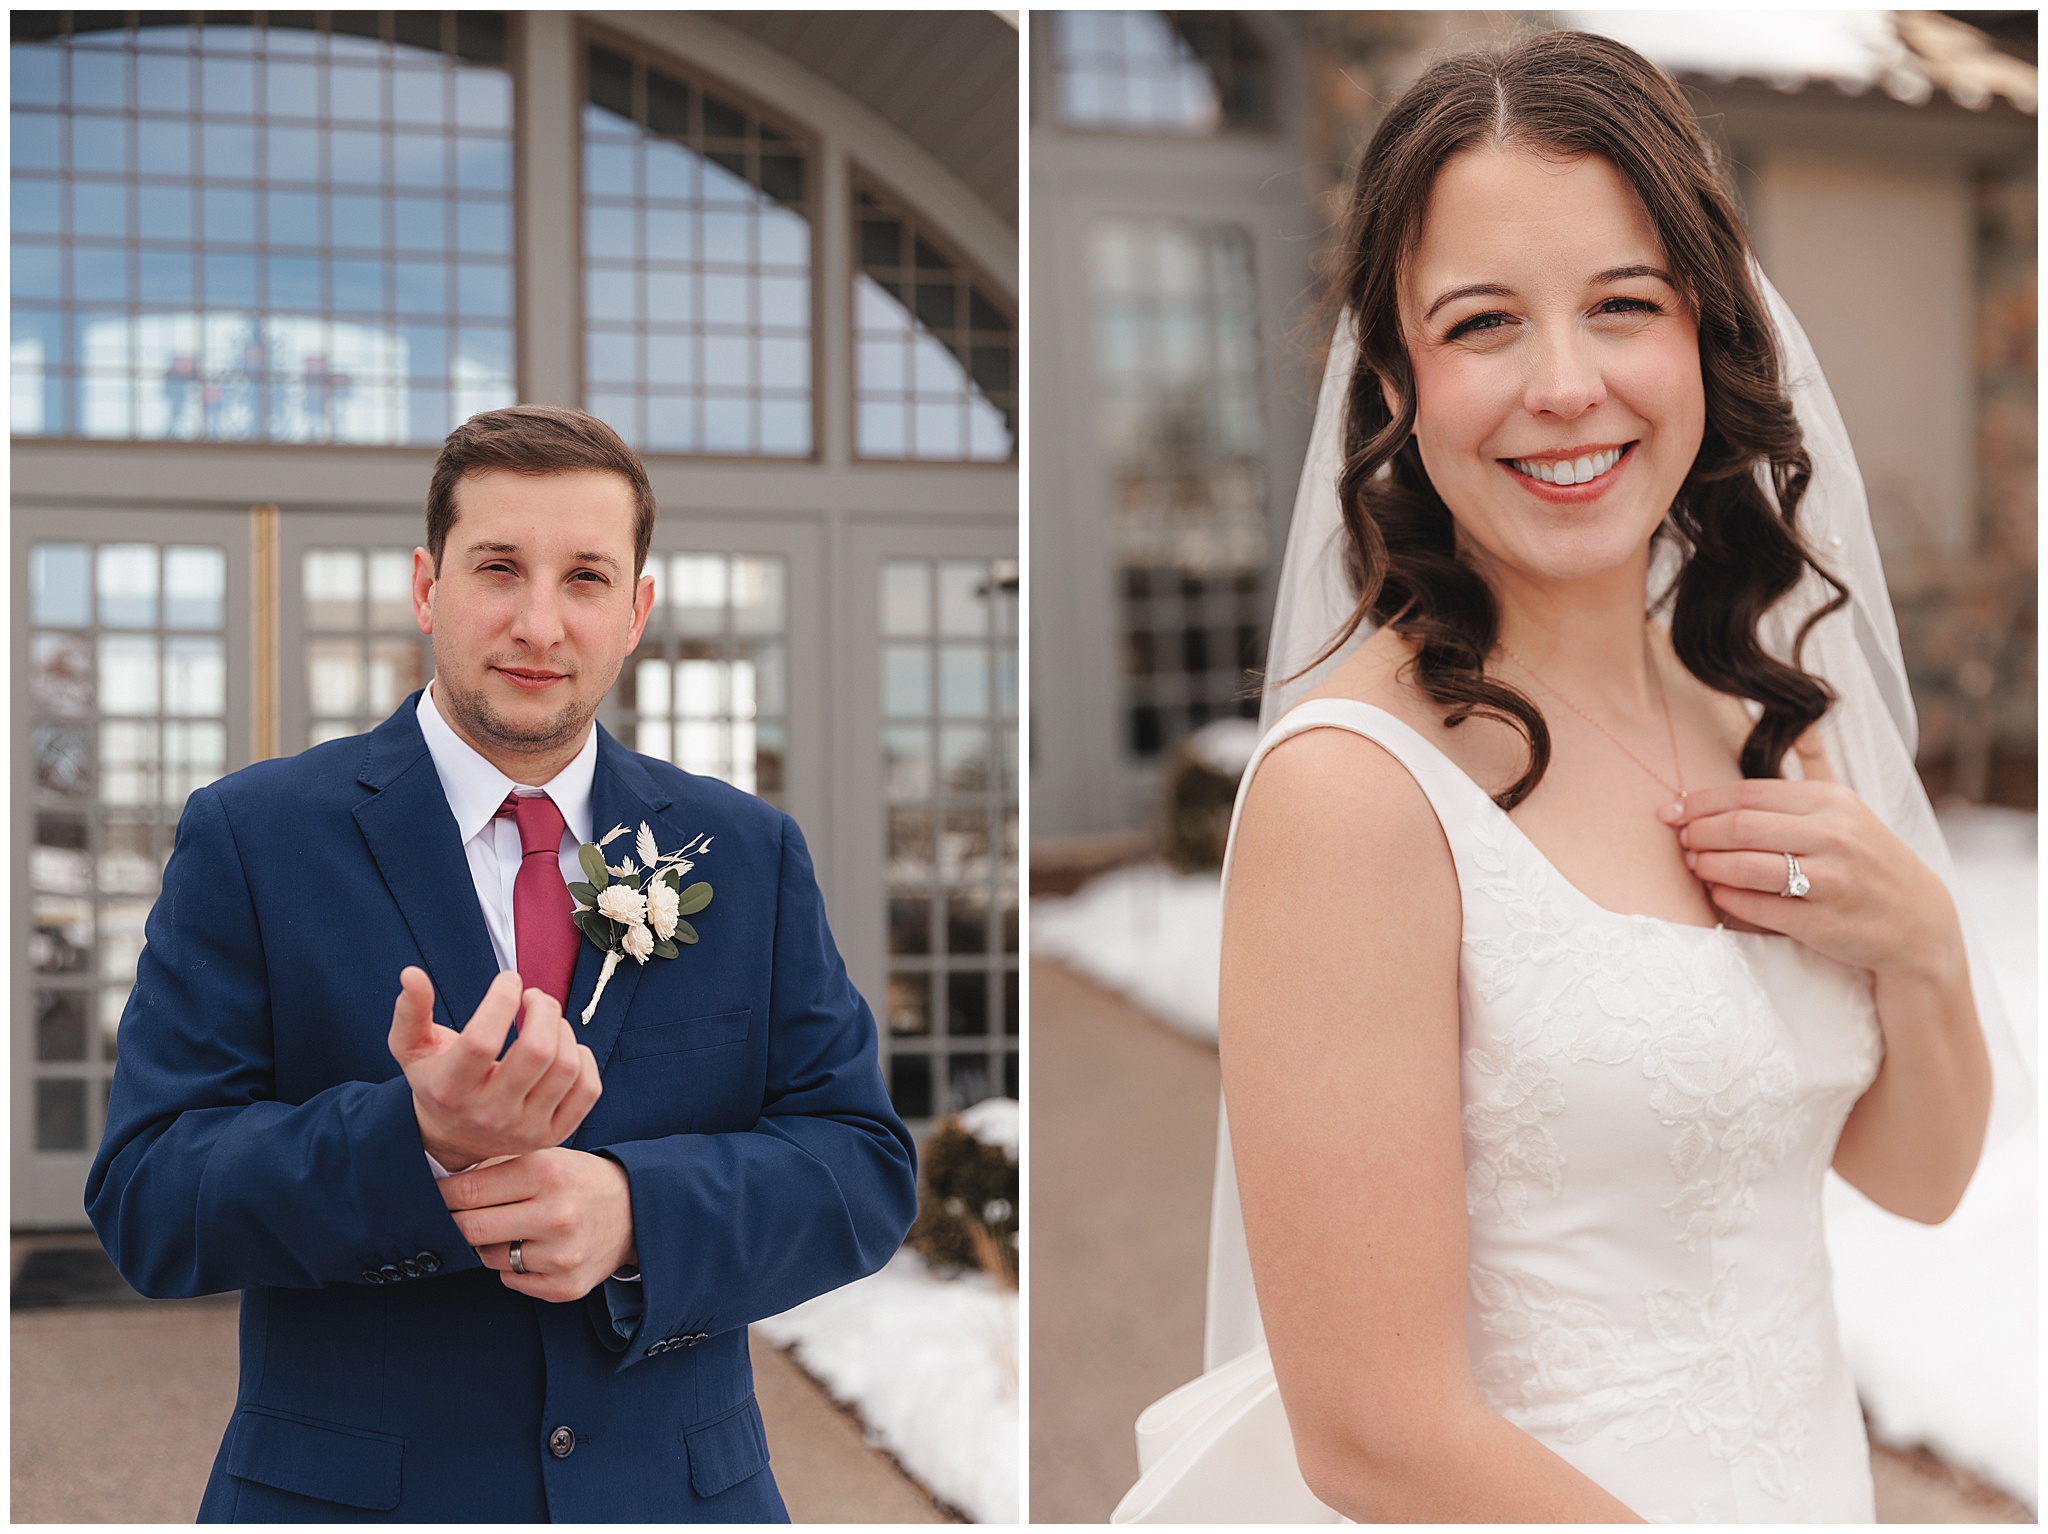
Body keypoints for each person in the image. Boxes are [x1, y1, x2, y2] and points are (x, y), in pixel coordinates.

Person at [1112, 30, 2025, 1525]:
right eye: (1483, 324)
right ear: (1397, 382)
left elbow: (1917, 1176)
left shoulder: (1758, 707)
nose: (1564, 384)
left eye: (1622, 306)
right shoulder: (1359, 794)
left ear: (1706, 335)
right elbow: (1372, 1429)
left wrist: (1920, 940)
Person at [85, 405, 918, 1521]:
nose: (538, 621)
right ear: (428, 587)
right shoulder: (253, 836)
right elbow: (148, 1195)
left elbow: (860, 1165)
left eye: (583, 577)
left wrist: (637, 1211)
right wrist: (417, 1141)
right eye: (497, 568)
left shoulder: (749, 853)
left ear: (636, 611)